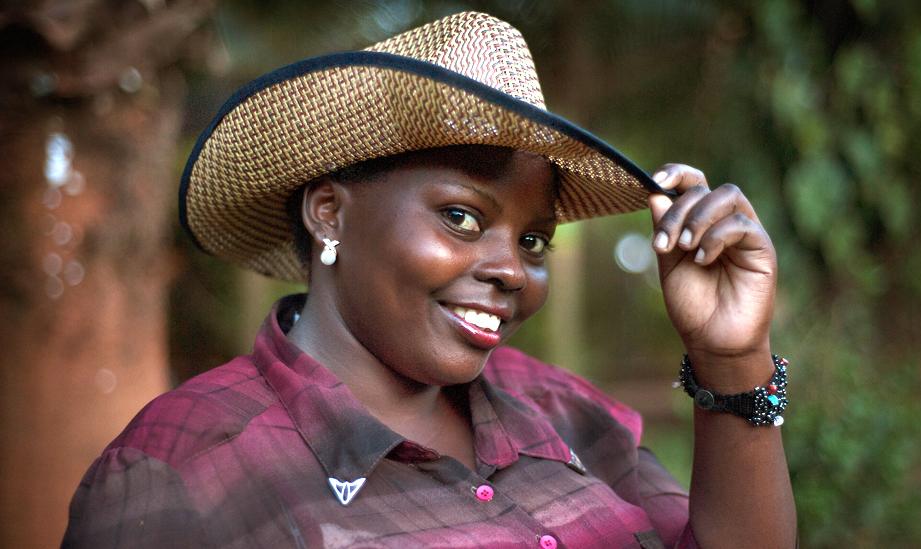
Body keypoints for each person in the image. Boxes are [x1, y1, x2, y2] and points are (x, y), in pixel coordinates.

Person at [63, 11, 796, 549]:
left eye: (533, 238)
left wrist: (731, 358)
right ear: (329, 213)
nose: (511, 269)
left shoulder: (562, 412)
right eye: (462, 218)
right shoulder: (183, 472)